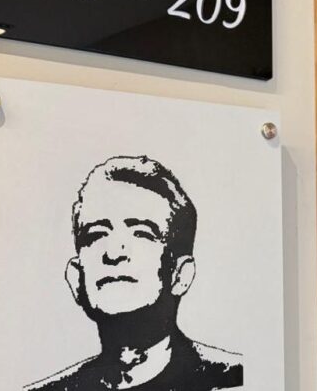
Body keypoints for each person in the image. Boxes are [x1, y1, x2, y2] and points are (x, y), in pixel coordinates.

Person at [25, 156, 243, 391]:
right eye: (96, 234)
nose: (114, 253)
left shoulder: (234, 380)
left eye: (141, 233)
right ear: (76, 278)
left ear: (181, 275)